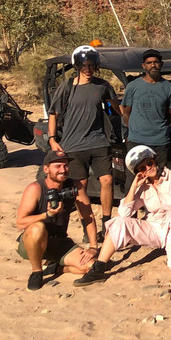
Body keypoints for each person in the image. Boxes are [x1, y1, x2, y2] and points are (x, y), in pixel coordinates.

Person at [74, 146, 171, 285]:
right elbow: (124, 213)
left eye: (149, 163)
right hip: (155, 227)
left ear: (154, 161)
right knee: (119, 222)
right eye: (142, 168)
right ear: (139, 173)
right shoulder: (143, 187)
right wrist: (134, 186)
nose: (148, 168)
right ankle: (99, 268)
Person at [47, 44, 120, 229]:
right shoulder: (66, 87)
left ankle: (106, 222)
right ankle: (88, 226)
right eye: (84, 65)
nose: (88, 69)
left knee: (107, 180)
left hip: (99, 141)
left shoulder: (103, 86)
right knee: (81, 187)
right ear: (77, 66)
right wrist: (52, 139)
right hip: (73, 145)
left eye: (91, 65)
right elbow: (53, 113)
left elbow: (118, 110)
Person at [15, 150, 97, 290]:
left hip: (58, 241)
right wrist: (46, 215)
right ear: (46, 169)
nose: (63, 170)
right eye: (57, 166)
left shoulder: (75, 187)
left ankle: (57, 268)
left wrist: (93, 247)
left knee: (91, 266)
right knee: (37, 228)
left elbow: (88, 216)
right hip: (32, 242)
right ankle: (37, 271)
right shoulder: (35, 188)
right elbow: (20, 222)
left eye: (65, 166)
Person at [121, 49, 171, 168]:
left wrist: (159, 129)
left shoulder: (169, 88)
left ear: (161, 64)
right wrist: (133, 130)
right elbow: (126, 112)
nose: (153, 65)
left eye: (156, 62)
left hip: (160, 141)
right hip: (137, 140)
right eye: (149, 62)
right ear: (143, 66)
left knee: (158, 176)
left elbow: (170, 115)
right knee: (134, 178)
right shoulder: (133, 86)